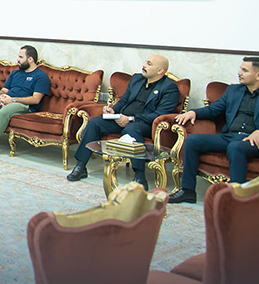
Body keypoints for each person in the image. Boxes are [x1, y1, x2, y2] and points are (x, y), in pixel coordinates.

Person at [67, 55, 180, 186]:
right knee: (94, 123)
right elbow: (124, 100)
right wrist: (113, 110)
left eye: (149, 64)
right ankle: (81, 166)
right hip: (121, 119)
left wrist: (131, 119)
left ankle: (140, 177)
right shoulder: (137, 79)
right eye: (145, 62)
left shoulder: (169, 88)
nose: (144, 66)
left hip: (143, 124)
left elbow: (160, 114)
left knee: (132, 129)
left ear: (160, 70)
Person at [169, 57, 259, 204]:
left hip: (254, 141)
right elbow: (214, 109)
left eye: (244, 70)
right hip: (230, 136)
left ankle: (236, 197)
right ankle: (187, 191)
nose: (239, 73)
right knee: (193, 140)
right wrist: (193, 112)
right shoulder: (234, 90)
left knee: (235, 147)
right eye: (240, 69)